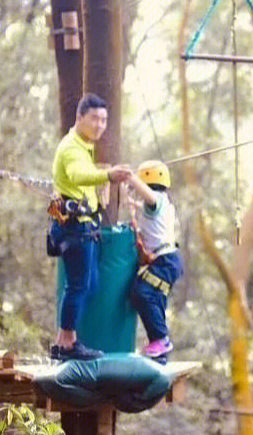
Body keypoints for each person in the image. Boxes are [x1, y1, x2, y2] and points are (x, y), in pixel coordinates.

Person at [49, 93, 132, 361]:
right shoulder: (72, 147)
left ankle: (63, 340)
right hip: (74, 229)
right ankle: (68, 342)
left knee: (88, 284)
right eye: (94, 118)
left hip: (84, 228)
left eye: (104, 120)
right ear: (79, 117)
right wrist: (108, 174)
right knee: (79, 286)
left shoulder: (84, 146)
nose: (100, 125)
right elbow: (77, 175)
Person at [127, 160, 183, 363]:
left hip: (165, 260)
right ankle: (159, 346)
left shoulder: (156, 200)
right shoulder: (163, 203)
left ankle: (160, 339)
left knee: (143, 293)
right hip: (168, 260)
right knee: (152, 296)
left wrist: (130, 178)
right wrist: (132, 204)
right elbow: (147, 207)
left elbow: (149, 199)